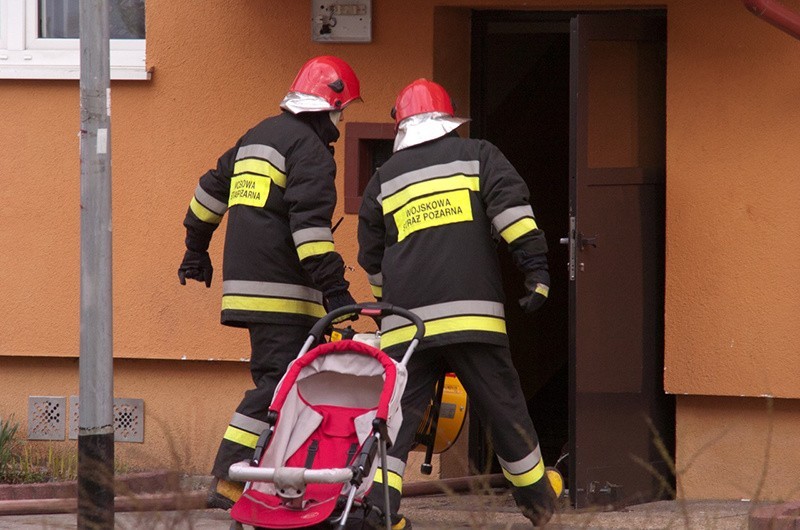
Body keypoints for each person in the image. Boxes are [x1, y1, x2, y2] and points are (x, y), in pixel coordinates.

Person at [356, 79, 556, 528]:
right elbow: (513, 215)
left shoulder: (385, 178)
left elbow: (371, 255)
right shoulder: (479, 155)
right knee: (504, 409)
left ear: (403, 127)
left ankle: (377, 514)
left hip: (407, 326)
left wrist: (388, 305)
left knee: (393, 418)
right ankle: (540, 506)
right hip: (474, 318)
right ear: (447, 121)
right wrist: (536, 272)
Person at [178, 55, 361, 510]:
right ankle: (228, 479)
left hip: (248, 287)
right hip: (284, 294)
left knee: (281, 383)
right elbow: (311, 235)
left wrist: (195, 248)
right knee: (276, 386)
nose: (341, 122)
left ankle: (275, 477)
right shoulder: (311, 153)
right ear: (329, 107)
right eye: (342, 111)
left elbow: (208, 192)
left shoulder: (257, 136)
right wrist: (337, 294)